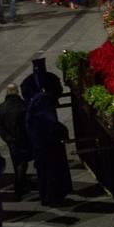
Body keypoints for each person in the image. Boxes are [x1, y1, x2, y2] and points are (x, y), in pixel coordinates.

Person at [23, 59, 72, 207]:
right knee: (52, 173)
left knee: (45, 174)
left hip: (42, 149)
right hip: (50, 148)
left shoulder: (33, 118)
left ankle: (47, 196)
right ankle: (55, 196)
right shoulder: (45, 116)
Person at [0, 82, 30, 199]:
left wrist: (7, 138)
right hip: (23, 139)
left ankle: (21, 184)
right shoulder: (24, 105)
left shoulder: (2, 107)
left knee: (17, 162)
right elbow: (28, 123)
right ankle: (19, 187)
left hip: (11, 141)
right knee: (22, 164)